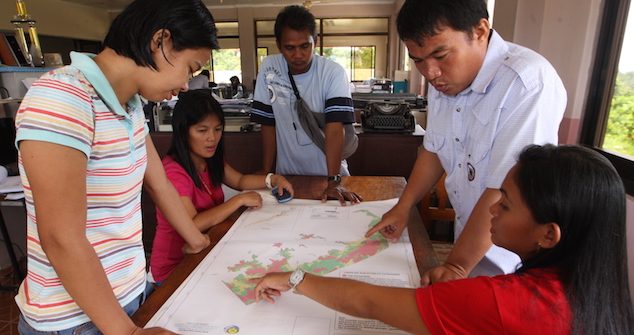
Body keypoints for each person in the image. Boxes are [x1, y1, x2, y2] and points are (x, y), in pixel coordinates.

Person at [253, 144, 634, 335]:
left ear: (549, 235)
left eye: (508, 203)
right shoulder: (598, 293)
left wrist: (294, 278)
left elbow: (368, 300)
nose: (492, 208)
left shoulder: (506, 302)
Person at [13, 0, 218, 333]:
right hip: (74, 320)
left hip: (128, 295)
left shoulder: (131, 103)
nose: (185, 85)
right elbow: (61, 238)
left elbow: (159, 183)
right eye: (190, 69)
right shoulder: (62, 97)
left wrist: (198, 243)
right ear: (161, 42)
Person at [366, 0, 567, 283]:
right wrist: (404, 206)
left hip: (513, 255)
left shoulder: (525, 83)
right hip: (470, 238)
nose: (430, 72)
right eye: (418, 60)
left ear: (480, 31)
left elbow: (505, 187)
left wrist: (457, 266)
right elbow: (434, 150)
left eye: (441, 55)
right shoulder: (444, 81)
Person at [150, 90, 294, 283]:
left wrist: (273, 180)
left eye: (217, 129)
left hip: (204, 252)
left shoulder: (207, 157)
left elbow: (240, 180)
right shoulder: (174, 173)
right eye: (202, 131)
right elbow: (193, 224)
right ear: (183, 132)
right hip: (176, 267)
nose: (212, 138)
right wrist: (239, 200)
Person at [250, 5, 362, 205]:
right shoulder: (269, 68)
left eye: (305, 46)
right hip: (288, 177)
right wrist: (266, 171)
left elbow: (335, 128)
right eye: (289, 48)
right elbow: (268, 122)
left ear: (315, 42)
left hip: (328, 176)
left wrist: (334, 180)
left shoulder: (332, 73)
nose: (298, 55)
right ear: (278, 44)